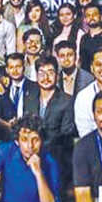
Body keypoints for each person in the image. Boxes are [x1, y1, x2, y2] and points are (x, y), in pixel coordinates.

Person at [23, 56, 77, 194]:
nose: (45, 77)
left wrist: (39, 145)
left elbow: (66, 134)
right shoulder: (30, 97)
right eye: (41, 73)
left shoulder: (67, 101)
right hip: (30, 151)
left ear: (57, 75)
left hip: (55, 154)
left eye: (50, 73)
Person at [4, 52, 37, 119]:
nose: (15, 70)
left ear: (24, 67)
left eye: (18, 66)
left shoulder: (34, 87)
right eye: (11, 67)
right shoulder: (4, 89)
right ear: (7, 70)